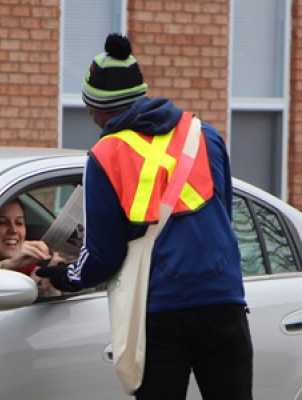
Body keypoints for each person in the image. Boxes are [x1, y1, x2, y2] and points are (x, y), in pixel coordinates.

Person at [37, 33, 253, 399]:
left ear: (100, 109)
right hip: (224, 303)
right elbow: (223, 217)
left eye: (90, 111)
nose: (93, 121)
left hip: (160, 312)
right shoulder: (205, 135)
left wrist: (66, 275)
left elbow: (104, 255)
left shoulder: (104, 156)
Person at [0, 198, 62, 297]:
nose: (13, 230)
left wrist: (47, 286)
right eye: (2, 222)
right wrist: (8, 265)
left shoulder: (33, 272)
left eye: (19, 223)